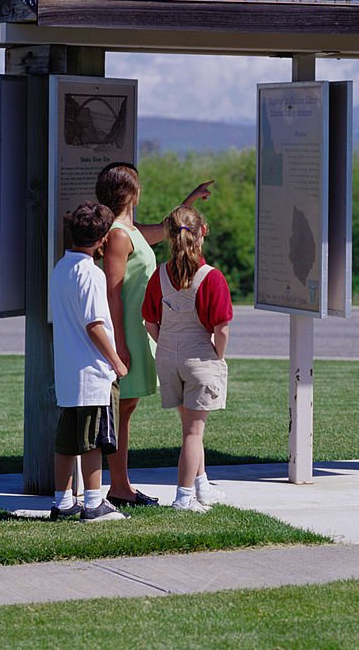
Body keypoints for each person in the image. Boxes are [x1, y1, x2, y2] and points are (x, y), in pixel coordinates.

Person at [95, 163, 213, 507]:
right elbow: (112, 293)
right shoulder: (118, 234)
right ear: (131, 193)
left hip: (134, 332)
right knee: (122, 408)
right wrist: (117, 344)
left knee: (127, 407)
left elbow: (166, 229)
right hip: (126, 333)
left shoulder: (127, 229)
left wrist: (190, 200)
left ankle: (121, 484)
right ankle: (118, 486)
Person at [142, 206, 232, 513]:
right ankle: (183, 496)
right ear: (202, 232)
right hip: (199, 358)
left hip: (168, 357)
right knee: (195, 432)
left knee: (189, 428)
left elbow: (150, 322)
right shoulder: (212, 277)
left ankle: (202, 485)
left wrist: (167, 345)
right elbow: (221, 328)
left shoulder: (160, 275)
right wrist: (217, 356)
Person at [49, 201, 130, 523]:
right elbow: (95, 324)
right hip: (92, 371)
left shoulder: (62, 268)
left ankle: (63, 501)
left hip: (69, 370)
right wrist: (116, 361)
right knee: (93, 440)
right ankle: (94, 503)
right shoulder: (91, 274)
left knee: (67, 441)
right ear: (103, 239)